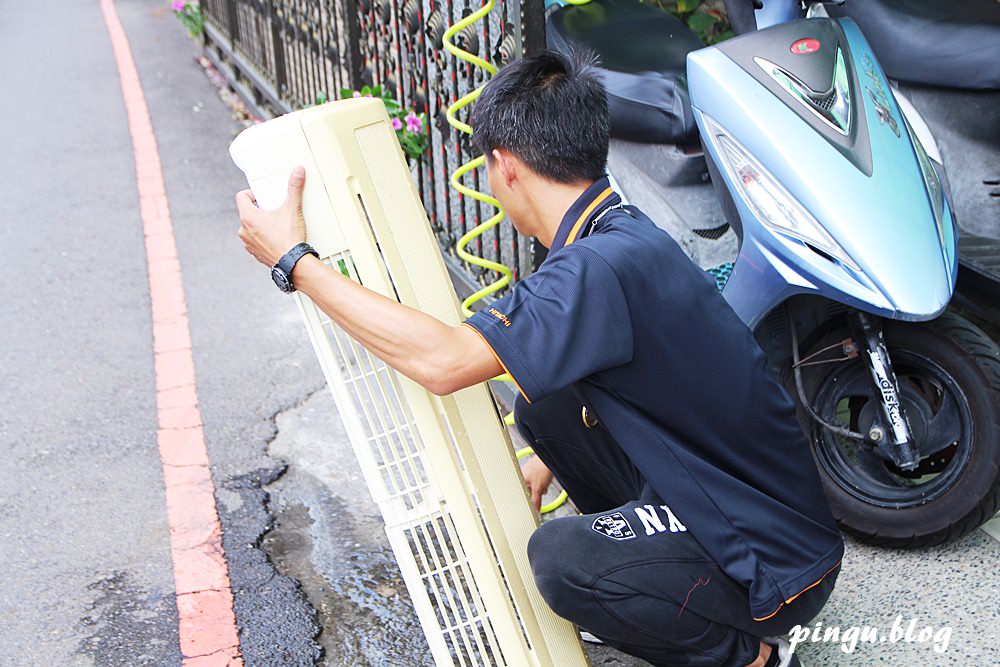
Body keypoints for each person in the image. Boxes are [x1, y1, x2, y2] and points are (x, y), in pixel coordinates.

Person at [235, 50, 843, 667]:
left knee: (563, 560)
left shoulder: (594, 269)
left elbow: (443, 363)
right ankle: (659, 578)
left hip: (776, 571)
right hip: (771, 522)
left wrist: (297, 263)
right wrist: (541, 463)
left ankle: (749, 654)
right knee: (543, 403)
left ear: (507, 165)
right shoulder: (616, 234)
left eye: (487, 171)